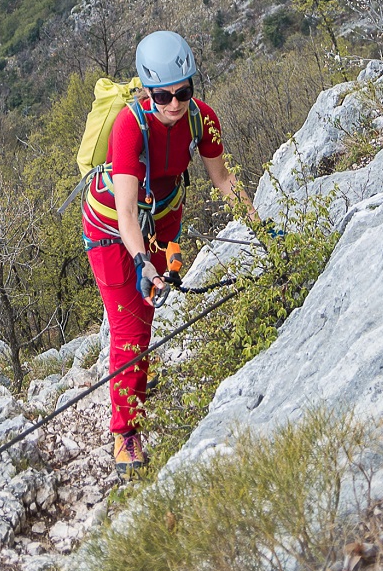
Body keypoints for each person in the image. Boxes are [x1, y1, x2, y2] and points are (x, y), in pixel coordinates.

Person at [81, 29, 263, 470]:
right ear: (146, 89)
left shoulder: (203, 119)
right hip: (110, 229)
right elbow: (125, 210)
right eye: (163, 96)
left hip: (163, 219)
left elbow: (224, 180)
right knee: (130, 328)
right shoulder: (129, 125)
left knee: (150, 309)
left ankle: (136, 374)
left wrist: (264, 229)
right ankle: (125, 435)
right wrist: (142, 260)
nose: (174, 105)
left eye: (183, 92)